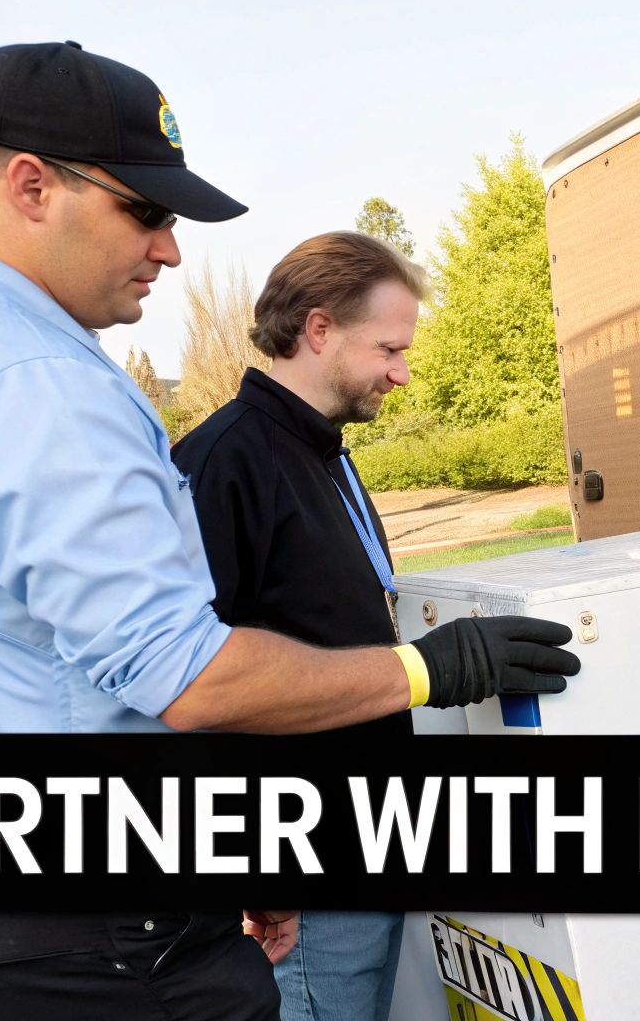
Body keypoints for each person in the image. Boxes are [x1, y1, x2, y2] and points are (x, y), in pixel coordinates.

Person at [0, 42, 579, 1021]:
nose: (171, 248)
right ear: (29, 185)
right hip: (99, 941)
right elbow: (188, 675)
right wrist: (426, 671)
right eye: (145, 210)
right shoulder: (34, 381)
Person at [173, 230, 427, 1021]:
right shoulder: (223, 464)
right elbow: (193, 688)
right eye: (388, 346)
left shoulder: (326, 453)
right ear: (318, 329)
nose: (401, 370)